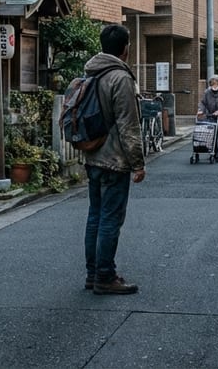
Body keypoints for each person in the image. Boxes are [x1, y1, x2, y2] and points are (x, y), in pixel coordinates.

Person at [82, 23, 145, 295]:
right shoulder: (120, 78)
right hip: (114, 160)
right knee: (110, 219)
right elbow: (128, 124)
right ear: (125, 48)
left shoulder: (90, 73)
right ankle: (105, 276)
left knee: (95, 216)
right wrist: (138, 163)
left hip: (92, 156)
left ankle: (92, 273)